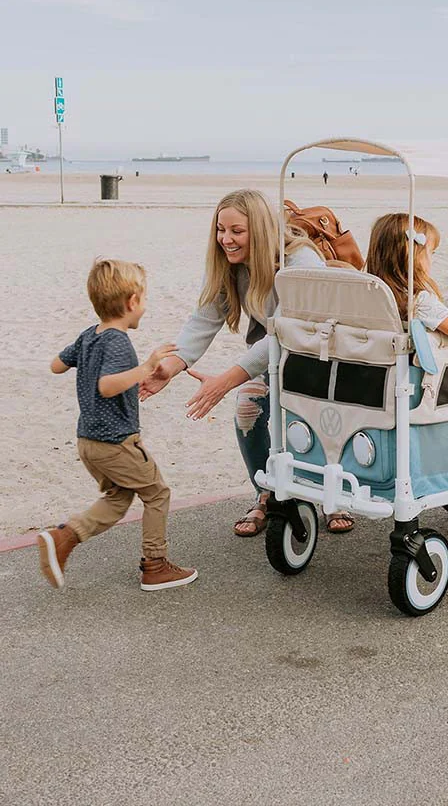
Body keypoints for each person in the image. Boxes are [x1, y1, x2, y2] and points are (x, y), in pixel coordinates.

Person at [138, 189, 355, 536]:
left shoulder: (300, 261)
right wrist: (172, 366)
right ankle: (266, 493)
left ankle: (334, 495)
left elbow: (285, 331)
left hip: (322, 355)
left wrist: (225, 381)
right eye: (221, 230)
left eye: (237, 231)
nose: (226, 239)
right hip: (273, 356)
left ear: (261, 230)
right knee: (247, 410)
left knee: (316, 421)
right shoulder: (228, 264)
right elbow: (204, 318)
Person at [39, 259, 198, 591]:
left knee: (118, 497)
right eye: (144, 298)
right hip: (116, 442)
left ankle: (64, 538)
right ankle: (155, 566)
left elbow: (56, 365)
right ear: (132, 301)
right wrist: (146, 367)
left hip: (88, 441)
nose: (145, 306)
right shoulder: (118, 341)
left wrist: (94, 364)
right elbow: (107, 385)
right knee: (157, 493)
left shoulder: (89, 335)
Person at [366, 212, 448, 339]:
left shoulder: (378, 295)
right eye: (432, 253)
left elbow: (435, 319)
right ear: (413, 256)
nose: (432, 259)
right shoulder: (418, 300)